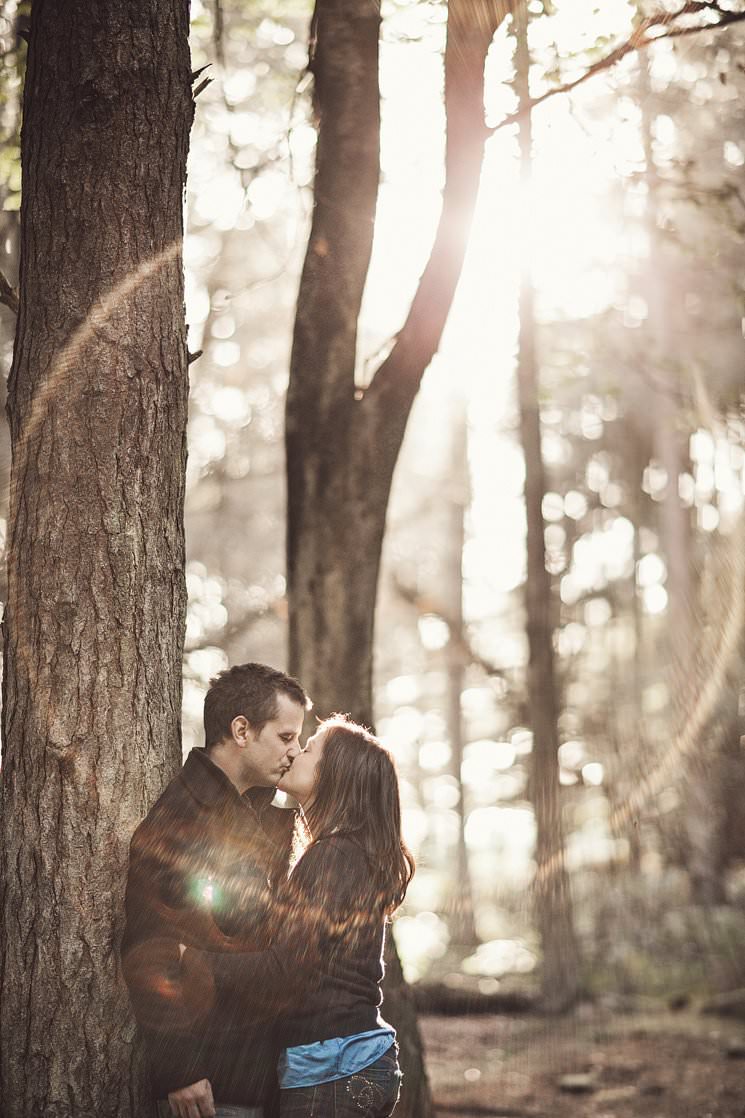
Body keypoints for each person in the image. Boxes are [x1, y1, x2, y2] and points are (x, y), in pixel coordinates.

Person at [183, 715, 415, 1118]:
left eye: (308, 749)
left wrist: (191, 957)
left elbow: (283, 969)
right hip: (349, 1062)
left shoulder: (334, 856)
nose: (294, 752)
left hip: (335, 1066)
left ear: (335, 775)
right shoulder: (349, 855)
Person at [121, 662, 311, 1118]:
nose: (296, 751)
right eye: (286, 737)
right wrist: (181, 1071)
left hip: (254, 1075)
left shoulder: (252, 812)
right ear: (241, 730)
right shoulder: (184, 816)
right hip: (211, 1084)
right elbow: (151, 948)